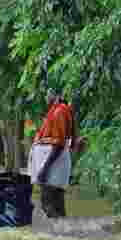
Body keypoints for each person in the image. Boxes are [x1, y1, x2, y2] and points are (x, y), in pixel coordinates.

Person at [30, 89, 76, 218]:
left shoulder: (59, 111)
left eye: (47, 93)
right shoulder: (59, 110)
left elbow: (59, 144)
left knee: (47, 203)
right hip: (56, 162)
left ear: (56, 96)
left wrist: (45, 169)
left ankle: (58, 228)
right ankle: (64, 228)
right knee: (57, 203)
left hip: (53, 164)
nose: (46, 96)